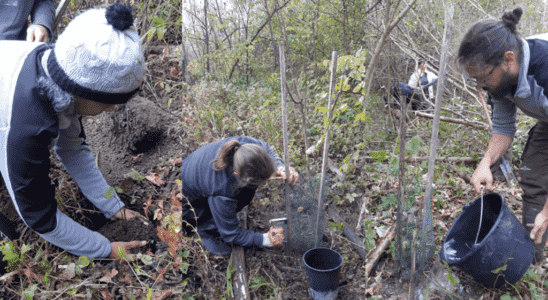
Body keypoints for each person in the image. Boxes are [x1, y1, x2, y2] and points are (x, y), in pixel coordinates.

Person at [0, 4, 147, 274]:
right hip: (7, 125)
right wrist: (106, 248)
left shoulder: (58, 71)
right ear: (84, 91)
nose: (112, 109)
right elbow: (41, 219)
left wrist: (112, 206)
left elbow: (73, 150)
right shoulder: (25, 129)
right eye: (108, 103)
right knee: (5, 248)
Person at [458, 7, 548, 264]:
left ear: (508, 59)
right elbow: (503, 128)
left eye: (482, 78)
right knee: (533, 175)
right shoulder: (502, 79)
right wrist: (485, 163)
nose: (480, 87)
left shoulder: (544, 71)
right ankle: (534, 259)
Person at [181, 136, 299, 256]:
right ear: (237, 174)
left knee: (245, 192)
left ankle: (217, 217)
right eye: (261, 182)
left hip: (192, 173)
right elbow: (231, 234)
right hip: (186, 205)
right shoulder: (223, 188)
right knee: (225, 251)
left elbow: (266, 148)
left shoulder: (247, 148)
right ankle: (203, 229)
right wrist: (264, 239)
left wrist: (280, 167)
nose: (264, 184)